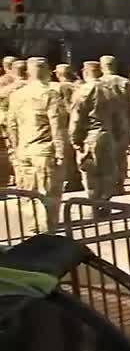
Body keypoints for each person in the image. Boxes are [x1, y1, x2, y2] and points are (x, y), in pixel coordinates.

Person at [7, 57, 68, 233]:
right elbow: (57, 125)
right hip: (44, 150)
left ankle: (32, 232)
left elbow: (12, 125)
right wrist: (60, 152)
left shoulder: (17, 95)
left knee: (29, 195)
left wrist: (16, 147)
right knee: (48, 195)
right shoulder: (50, 94)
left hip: (23, 150)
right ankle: (47, 235)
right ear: (46, 70)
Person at [69, 61, 118, 211]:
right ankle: (106, 203)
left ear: (85, 72)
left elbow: (77, 117)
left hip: (90, 135)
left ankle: (94, 205)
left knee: (90, 172)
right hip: (107, 134)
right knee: (107, 171)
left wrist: (74, 140)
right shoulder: (110, 90)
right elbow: (119, 115)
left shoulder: (83, 91)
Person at [99, 55, 130, 196]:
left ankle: (109, 183)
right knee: (121, 154)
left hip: (106, 121)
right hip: (122, 120)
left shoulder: (99, 83)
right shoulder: (125, 82)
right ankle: (119, 183)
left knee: (107, 155)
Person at [53, 64, 84, 192]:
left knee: (68, 154)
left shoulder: (62, 87)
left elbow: (63, 107)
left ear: (59, 74)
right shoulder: (81, 85)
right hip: (82, 121)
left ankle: (74, 181)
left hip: (67, 122)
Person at [0, 59, 28, 186]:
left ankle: (20, 181)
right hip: (30, 124)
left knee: (13, 153)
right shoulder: (34, 85)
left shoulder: (5, 87)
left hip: (9, 124)